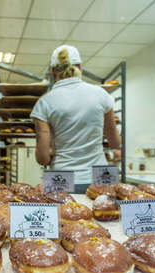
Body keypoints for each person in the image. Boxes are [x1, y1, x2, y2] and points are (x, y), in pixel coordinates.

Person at [30, 45, 121, 194]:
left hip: (62, 176)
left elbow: (42, 159)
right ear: (80, 67)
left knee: (65, 216)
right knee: (107, 215)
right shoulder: (101, 94)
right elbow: (115, 142)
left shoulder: (45, 103)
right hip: (101, 175)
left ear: (53, 72)